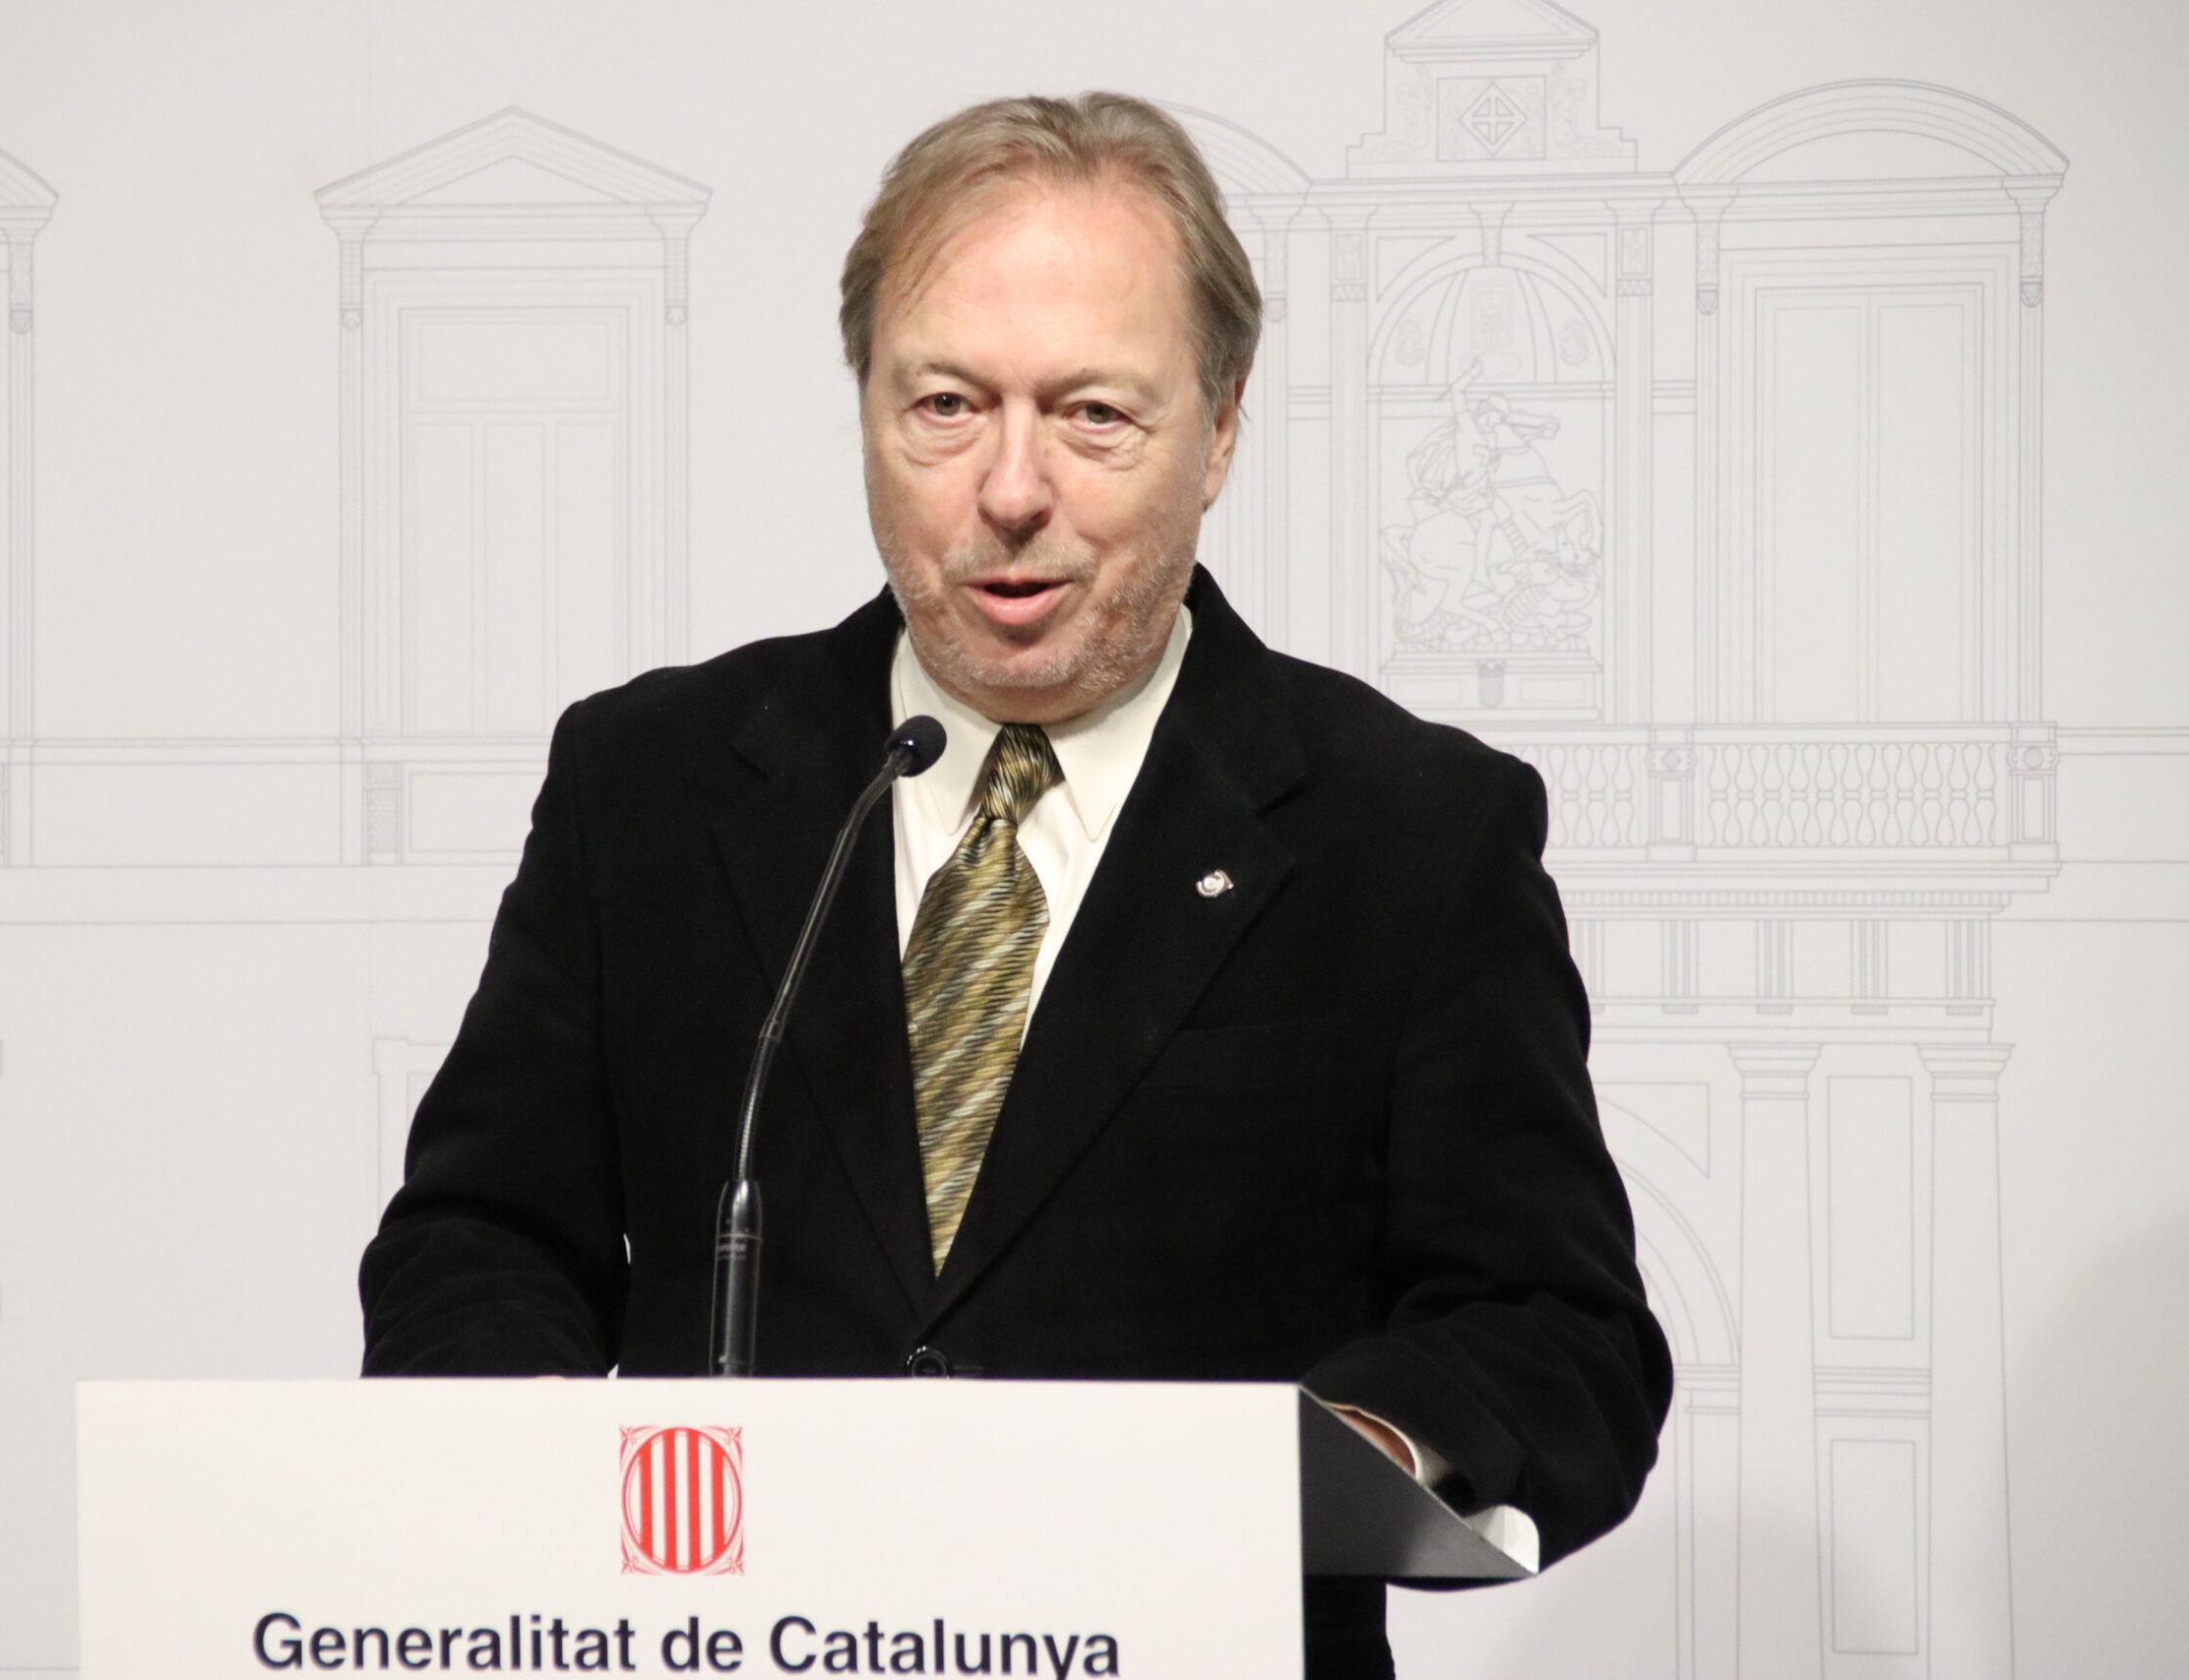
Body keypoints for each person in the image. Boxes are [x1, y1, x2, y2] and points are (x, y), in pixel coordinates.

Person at [359, 93, 1670, 1680]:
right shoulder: (650, 781)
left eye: (1093, 415)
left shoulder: (1412, 830)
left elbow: (1557, 1335)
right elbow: (480, 1240)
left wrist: (1358, 1453)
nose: (1010, 489)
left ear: (1222, 428)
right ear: (867, 406)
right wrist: (525, 1446)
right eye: (947, 405)